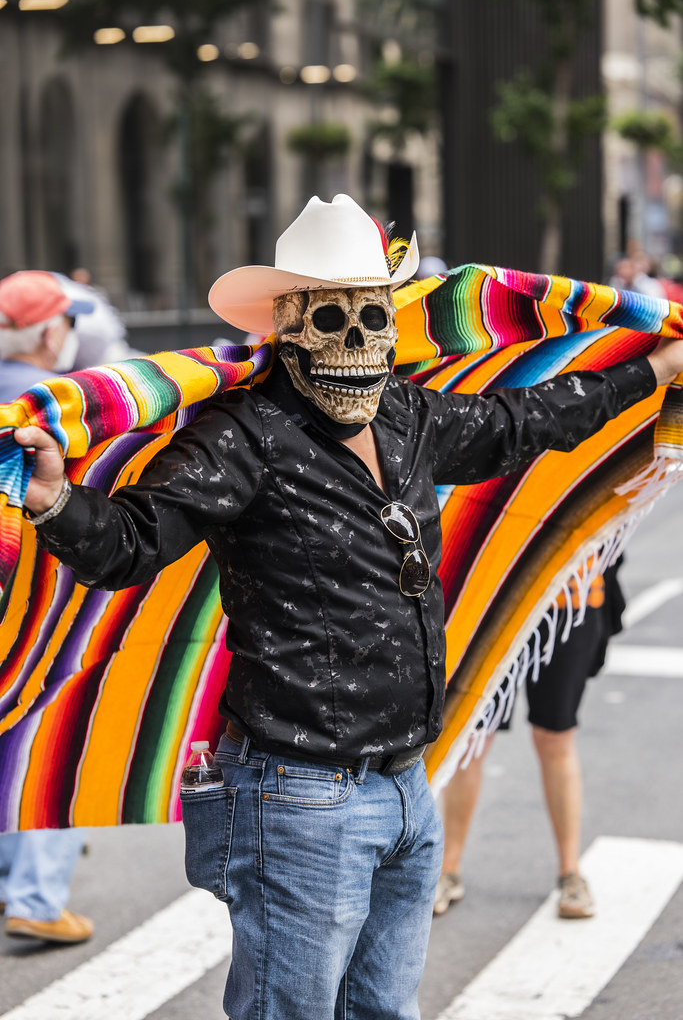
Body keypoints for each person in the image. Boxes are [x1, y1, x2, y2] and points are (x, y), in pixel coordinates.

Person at [11, 194, 683, 1017]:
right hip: (299, 797)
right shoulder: (243, 435)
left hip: (405, 785)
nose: (359, 343)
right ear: (287, 328)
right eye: (332, 318)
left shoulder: (405, 411)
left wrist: (653, 370)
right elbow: (129, 545)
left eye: (373, 317)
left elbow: (523, 420)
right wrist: (52, 499)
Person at [433, 562, 625, 921]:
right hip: (497, 597)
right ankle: (448, 869)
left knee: (555, 737)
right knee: (472, 738)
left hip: (572, 601)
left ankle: (571, 873)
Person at [0, 270, 96, 943]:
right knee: (59, 725)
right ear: (48, 332)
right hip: (34, 599)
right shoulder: (50, 407)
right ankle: (34, 895)